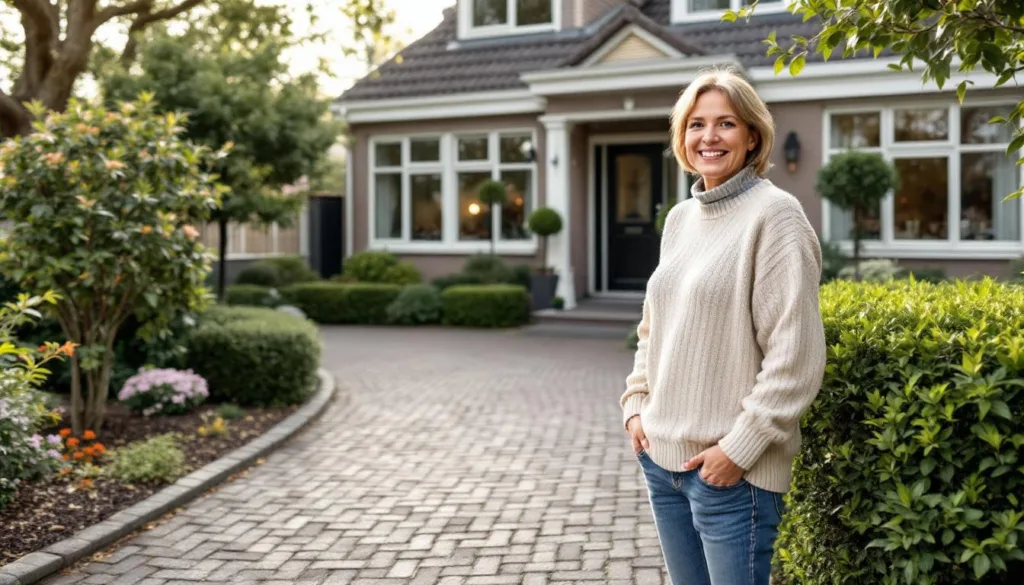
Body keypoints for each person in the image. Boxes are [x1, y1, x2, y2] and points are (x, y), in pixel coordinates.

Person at [620, 66, 827, 585]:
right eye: (695, 124)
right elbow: (653, 328)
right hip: (661, 463)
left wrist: (738, 451)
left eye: (726, 124)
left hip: (730, 477)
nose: (708, 137)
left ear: (753, 135)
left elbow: (796, 357)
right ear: (682, 136)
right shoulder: (680, 219)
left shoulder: (776, 216)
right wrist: (636, 405)